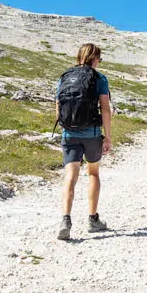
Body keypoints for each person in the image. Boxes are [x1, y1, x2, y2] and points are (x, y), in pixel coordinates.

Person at [53, 43, 112, 240]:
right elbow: (104, 108)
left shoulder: (65, 76)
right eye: (99, 59)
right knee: (93, 173)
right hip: (92, 133)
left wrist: (66, 129)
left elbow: (58, 105)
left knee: (71, 175)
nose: (98, 63)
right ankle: (93, 219)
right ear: (94, 58)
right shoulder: (99, 78)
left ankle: (65, 219)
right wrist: (108, 137)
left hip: (69, 133)